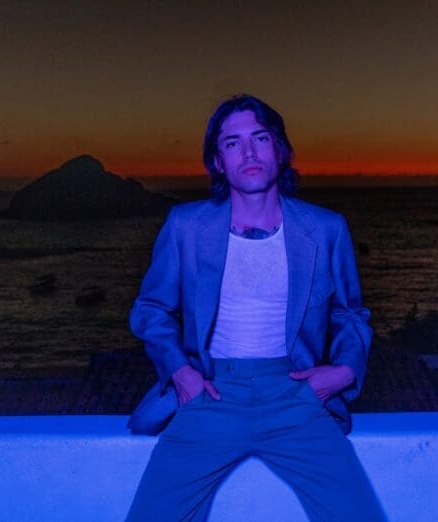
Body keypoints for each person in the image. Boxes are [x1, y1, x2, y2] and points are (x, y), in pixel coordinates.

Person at [125, 95, 386, 521]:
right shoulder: (185, 226)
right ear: (217, 162)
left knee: (358, 516)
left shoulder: (325, 228)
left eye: (260, 138)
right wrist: (181, 371)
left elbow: (350, 314)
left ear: (280, 150)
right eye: (232, 143)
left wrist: (343, 371)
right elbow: (151, 308)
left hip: (295, 394)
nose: (248, 152)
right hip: (211, 391)